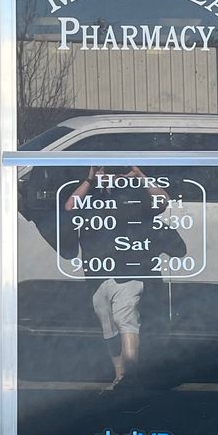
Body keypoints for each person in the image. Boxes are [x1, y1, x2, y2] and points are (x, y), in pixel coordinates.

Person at [64, 165, 170, 391]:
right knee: (108, 328)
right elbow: (70, 207)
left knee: (126, 322)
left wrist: (140, 175)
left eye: (115, 171)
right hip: (97, 275)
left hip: (128, 274)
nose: (110, 176)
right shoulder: (91, 198)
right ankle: (120, 378)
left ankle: (131, 379)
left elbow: (162, 202)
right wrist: (90, 179)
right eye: (105, 171)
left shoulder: (135, 198)